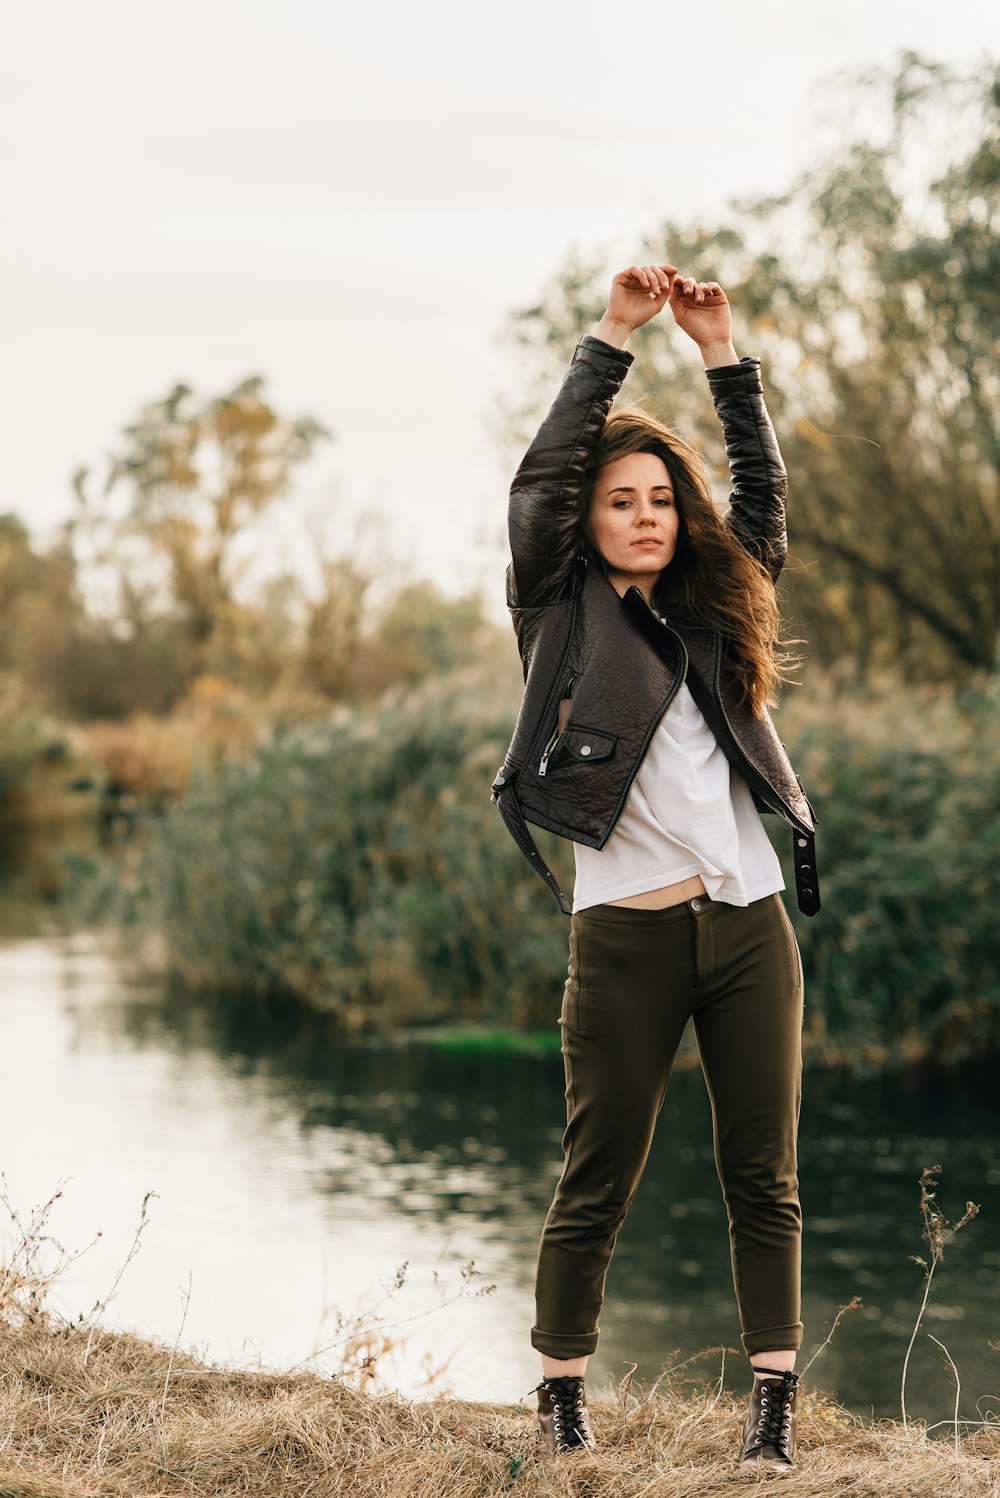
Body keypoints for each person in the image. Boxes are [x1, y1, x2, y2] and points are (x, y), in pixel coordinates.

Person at [490, 261, 821, 1474]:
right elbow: (538, 483)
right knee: (598, 1173)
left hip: (749, 927)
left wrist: (724, 355)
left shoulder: (714, 610)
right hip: (625, 929)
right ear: (587, 518)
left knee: (763, 1175)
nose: (644, 514)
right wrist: (614, 339)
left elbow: (765, 501)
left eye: (660, 499)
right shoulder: (555, 613)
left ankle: (772, 1413)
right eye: (620, 499)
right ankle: (562, 1398)